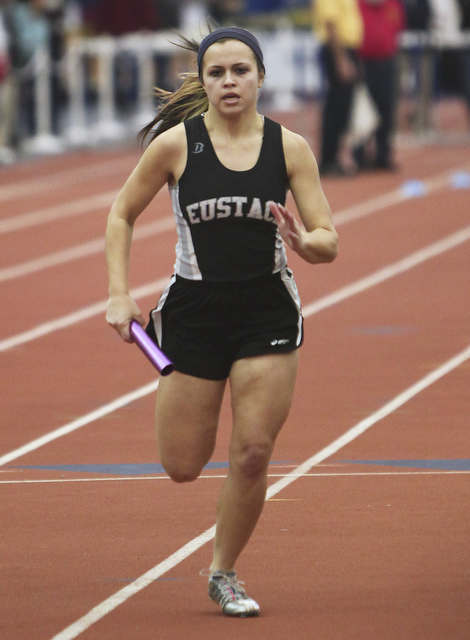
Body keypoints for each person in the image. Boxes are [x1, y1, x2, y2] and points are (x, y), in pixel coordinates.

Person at [105, 26, 338, 617]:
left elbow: (327, 239)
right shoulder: (176, 147)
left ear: (261, 76)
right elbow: (121, 214)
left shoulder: (290, 148)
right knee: (182, 464)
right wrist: (118, 293)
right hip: (194, 313)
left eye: (240, 71)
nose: (229, 82)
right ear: (203, 82)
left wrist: (304, 243)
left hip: (267, 312)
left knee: (254, 452)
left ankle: (223, 570)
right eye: (217, 73)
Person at [312, 0, 364, 176]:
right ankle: (328, 159)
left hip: (346, 49)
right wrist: (341, 58)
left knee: (343, 107)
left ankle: (334, 157)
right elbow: (330, 24)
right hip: (338, 50)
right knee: (337, 106)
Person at [353, 0, 406, 171]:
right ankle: (359, 155)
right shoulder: (357, 5)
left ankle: (383, 155)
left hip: (387, 61)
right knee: (363, 110)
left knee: (386, 109)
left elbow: (398, 27)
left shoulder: (393, 5)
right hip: (364, 62)